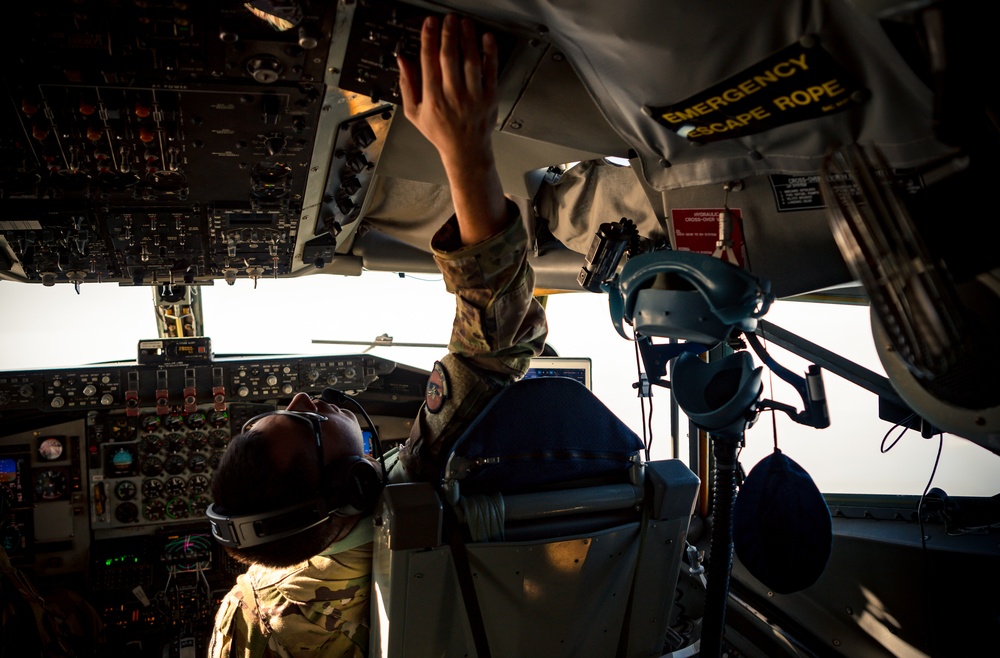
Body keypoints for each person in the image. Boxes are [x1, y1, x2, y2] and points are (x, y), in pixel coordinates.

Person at [207, 13, 547, 658]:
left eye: (274, 412)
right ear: (351, 488)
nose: (304, 400)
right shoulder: (417, 485)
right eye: (303, 425)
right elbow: (493, 341)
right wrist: (464, 147)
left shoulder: (242, 620)